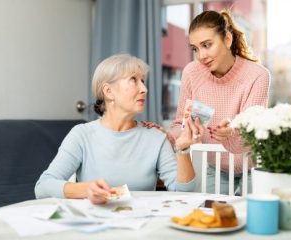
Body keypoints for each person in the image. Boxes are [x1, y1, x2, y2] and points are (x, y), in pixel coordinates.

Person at [35, 54, 204, 204]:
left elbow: (183, 192)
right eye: (133, 80)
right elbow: (43, 187)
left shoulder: (155, 137)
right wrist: (85, 190)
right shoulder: (82, 135)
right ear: (108, 91)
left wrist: (182, 150)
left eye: (143, 81)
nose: (144, 89)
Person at [169, 10, 270, 195]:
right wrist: (168, 136)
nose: (201, 55)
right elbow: (180, 125)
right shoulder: (192, 73)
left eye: (207, 45)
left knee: (250, 220)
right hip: (216, 168)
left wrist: (230, 133)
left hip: (252, 166)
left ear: (228, 39)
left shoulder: (258, 75)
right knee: (209, 215)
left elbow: (252, 134)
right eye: (195, 48)